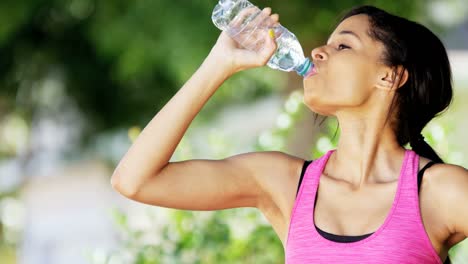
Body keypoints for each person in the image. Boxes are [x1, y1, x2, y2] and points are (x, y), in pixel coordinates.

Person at [110, 5, 467, 263]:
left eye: (343, 45)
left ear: (390, 76)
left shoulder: (439, 190)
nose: (317, 52)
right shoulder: (283, 183)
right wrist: (219, 64)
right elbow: (135, 180)